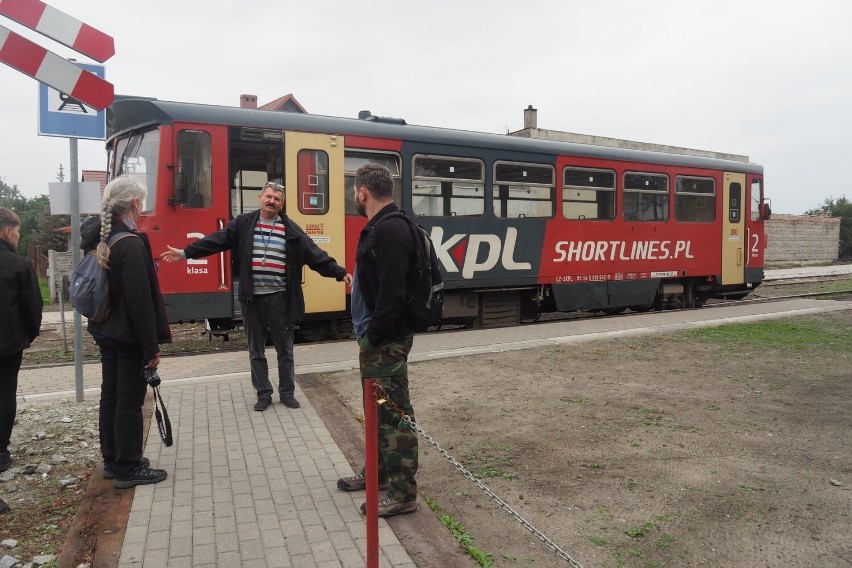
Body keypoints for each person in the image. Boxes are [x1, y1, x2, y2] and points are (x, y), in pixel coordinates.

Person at [160, 180, 352, 411]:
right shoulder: (243, 224)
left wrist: (339, 273)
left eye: (277, 199)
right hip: (253, 299)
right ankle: (263, 394)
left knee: (285, 349)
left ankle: (287, 392)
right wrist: (185, 252)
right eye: (269, 197)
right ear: (260, 198)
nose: (272, 201)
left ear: (282, 204)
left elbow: (315, 255)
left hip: (281, 298)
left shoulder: (291, 230)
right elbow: (216, 240)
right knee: (256, 349)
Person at [336, 163, 419, 517]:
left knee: (394, 415)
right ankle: (380, 473)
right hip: (378, 338)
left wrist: (371, 338)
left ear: (362, 192)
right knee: (377, 411)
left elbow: (393, 295)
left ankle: (402, 493)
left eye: (354, 191)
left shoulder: (390, 230)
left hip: (385, 341)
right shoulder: (381, 227)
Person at [80, 176, 171, 488]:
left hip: (105, 330)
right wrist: (151, 349)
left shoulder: (100, 239)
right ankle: (128, 468)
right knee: (130, 401)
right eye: (142, 202)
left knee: (112, 396)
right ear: (135, 204)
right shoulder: (129, 243)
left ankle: (113, 459)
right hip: (128, 336)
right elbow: (139, 303)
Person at [0, 208, 43, 473]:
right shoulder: (18, 265)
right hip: (8, 343)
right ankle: (0, 451)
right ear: (6, 231)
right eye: (17, 232)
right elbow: (32, 307)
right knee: (5, 394)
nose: (17, 237)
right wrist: (28, 336)